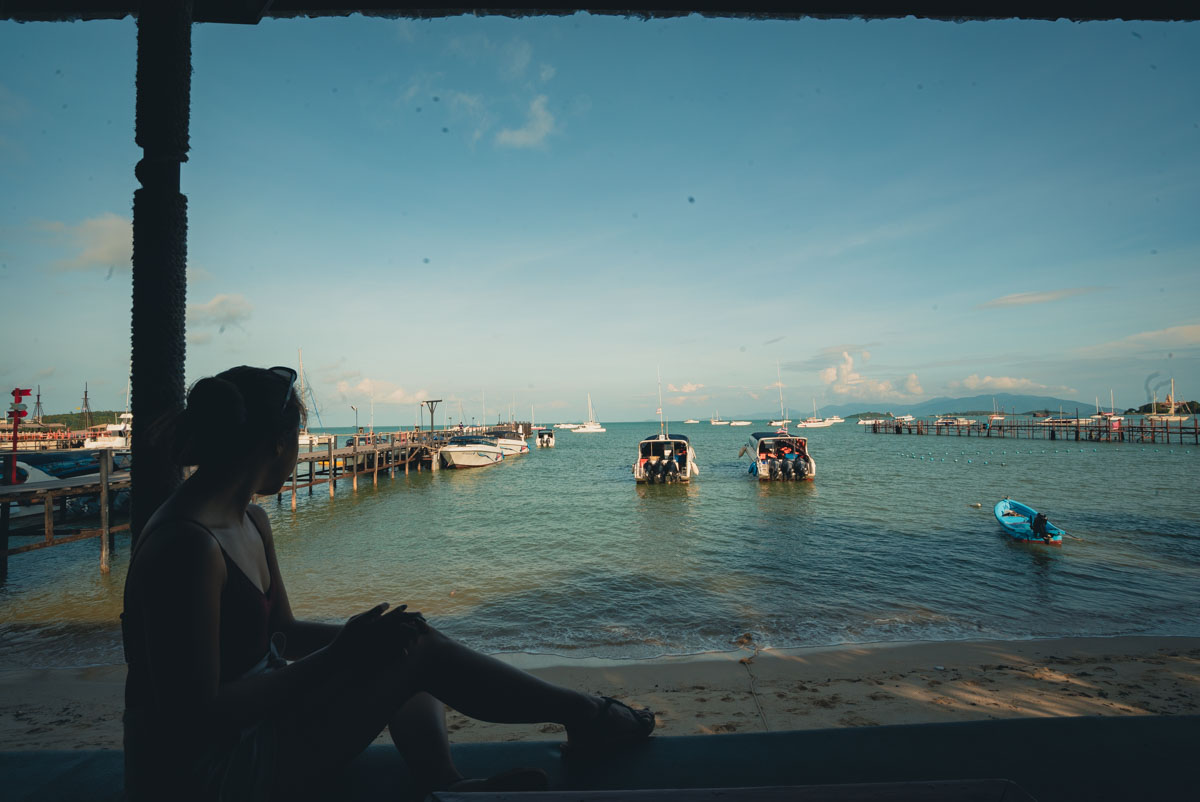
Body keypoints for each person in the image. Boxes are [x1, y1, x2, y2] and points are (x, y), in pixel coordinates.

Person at [122, 365, 654, 802]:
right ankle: (585, 715)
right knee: (412, 651)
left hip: (262, 724)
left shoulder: (250, 521)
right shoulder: (186, 545)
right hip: (212, 774)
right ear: (277, 443)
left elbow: (280, 629)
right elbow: (194, 718)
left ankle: (448, 785)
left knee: (402, 640)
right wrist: (341, 655)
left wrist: (366, 643)